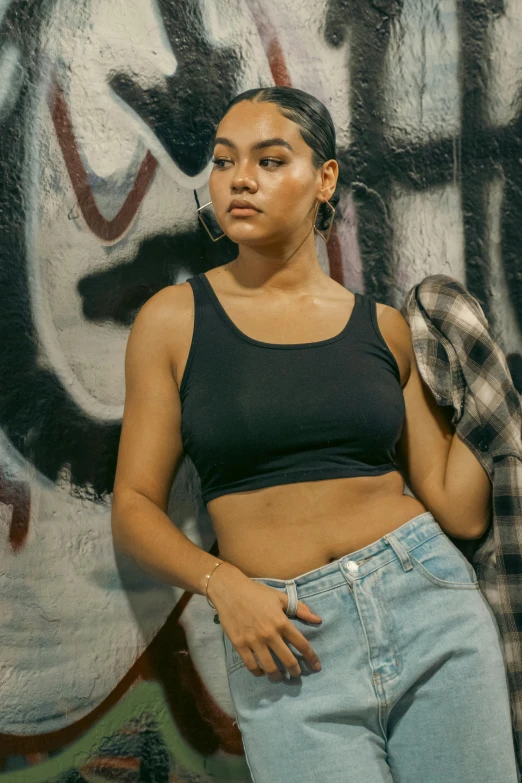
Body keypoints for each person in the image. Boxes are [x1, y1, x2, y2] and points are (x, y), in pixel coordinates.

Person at [111, 86, 519, 783]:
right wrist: (224, 585)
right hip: (286, 641)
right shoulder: (174, 320)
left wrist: (490, 396)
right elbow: (134, 509)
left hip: (431, 611)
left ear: (325, 178)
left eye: (271, 160)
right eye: (223, 161)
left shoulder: (385, 328)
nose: (240, 178)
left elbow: (460, 506)